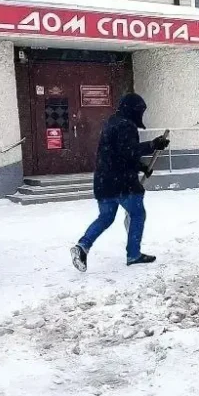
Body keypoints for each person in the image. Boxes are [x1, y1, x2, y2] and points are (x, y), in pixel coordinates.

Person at [71, 93, 170, 271]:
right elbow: (129, 152)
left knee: (106, 217)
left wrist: (141, 167)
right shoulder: (126, 126)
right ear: (132, 110)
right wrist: (153, 145)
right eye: (140, 111)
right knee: (137, 214)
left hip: (104, 182)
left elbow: (116, 155)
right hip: (122, 183)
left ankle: (82, 246)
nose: (141, 114)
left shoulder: (111, 123)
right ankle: (133, 254)